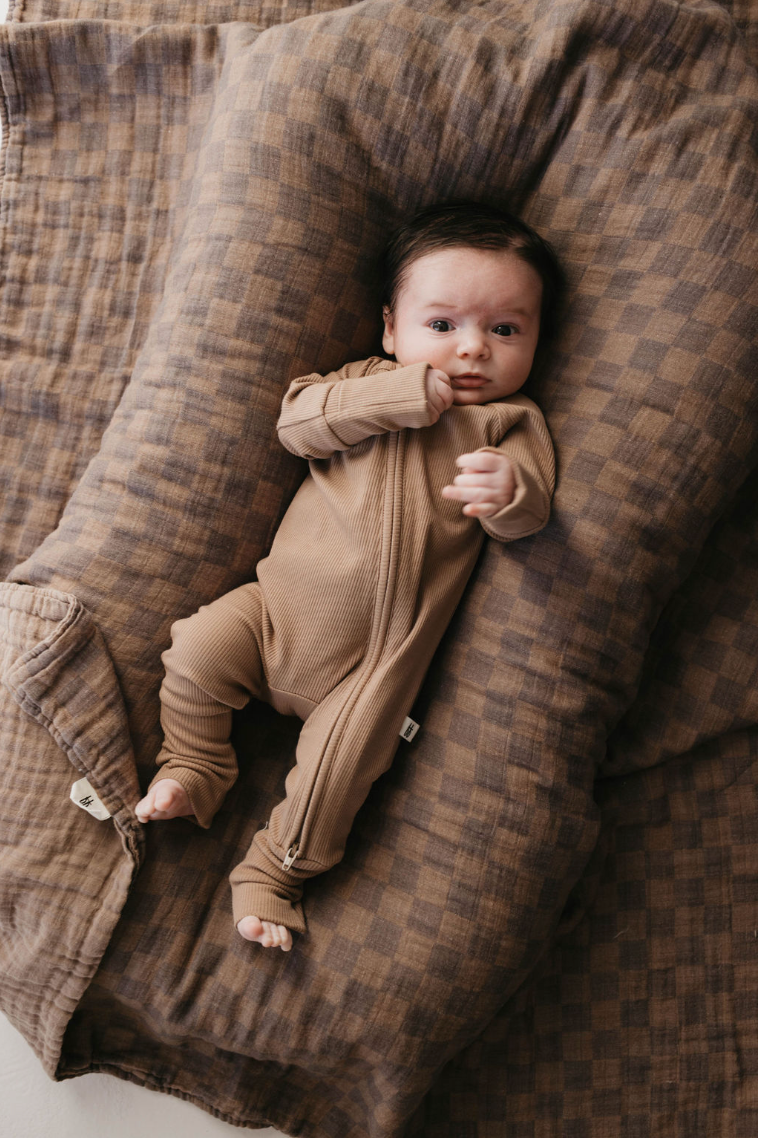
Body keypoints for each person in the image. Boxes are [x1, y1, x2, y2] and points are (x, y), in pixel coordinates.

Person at [135, 201, 563, 951]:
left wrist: (510, 493)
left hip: (374, 665)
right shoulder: (362, 384)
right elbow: (296, 423)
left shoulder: (510, 425)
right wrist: (397, 395)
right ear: (392, 329)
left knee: (340, 774)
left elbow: (527, 517)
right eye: (442, 326)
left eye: (505, 330)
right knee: (195, 648)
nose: (471, 351)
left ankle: (273, 872)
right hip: (271, 616)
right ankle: (196, 764)